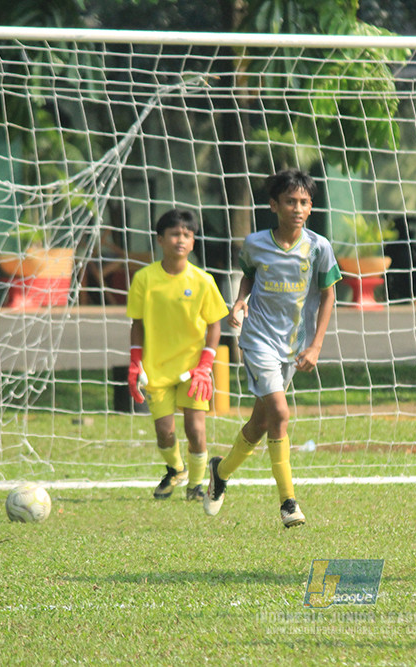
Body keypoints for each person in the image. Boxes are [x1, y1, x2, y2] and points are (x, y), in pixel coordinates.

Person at [203, 169, 341, 528]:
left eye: (304, 202)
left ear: (311, 207)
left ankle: (221, 471)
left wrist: (315, 346)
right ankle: (288, 502)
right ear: (274, 205)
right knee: (280, 412)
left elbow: (329, 295)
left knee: (262, 421)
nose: (298, 208)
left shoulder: (319, 247)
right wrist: (240, 301)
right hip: (258, 340)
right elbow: (249, 275)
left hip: (293, 346)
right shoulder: (255, 243)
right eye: (290, 201)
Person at [126, 209, 229, 502]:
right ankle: (176, 468)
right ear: (160, 239)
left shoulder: (203, 280)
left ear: (193, 241)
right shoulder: (144, 279)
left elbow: (215, 325)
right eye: (174, 234)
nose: (180, 240)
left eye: (187, 234)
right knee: (164, 432)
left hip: (193, 369)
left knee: (195, 428)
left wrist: (205, 364)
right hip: (156, 369)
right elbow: (137, 324)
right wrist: (135, 363)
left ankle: (196, 485)